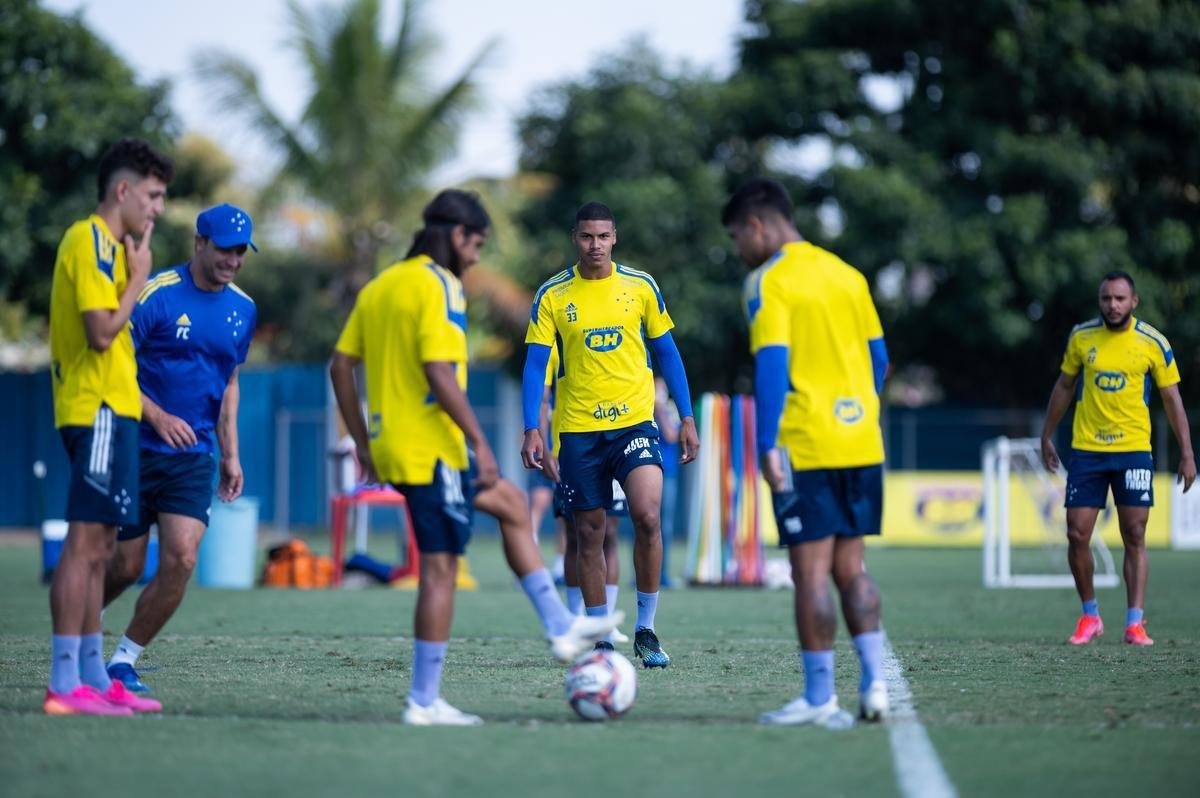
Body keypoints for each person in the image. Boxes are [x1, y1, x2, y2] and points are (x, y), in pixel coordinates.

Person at [330, 190, 622, 727]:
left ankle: (560, 625)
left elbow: (339, 366)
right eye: (477, 244)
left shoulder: (381, 286)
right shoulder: (440, 285)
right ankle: (424, 701)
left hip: (399, 443)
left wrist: (365, 443)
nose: (477, 256)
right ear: (456, 236)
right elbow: (440, 373)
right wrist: (481, 443)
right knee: (440, 571)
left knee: (512, 505)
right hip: (432, 449)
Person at [724, 177, 890, 727]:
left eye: (736, 238)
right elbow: (880, 361)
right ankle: (875, 684)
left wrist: (768, 444)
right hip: (861, 440)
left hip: (807, 445)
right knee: (852, 567)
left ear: (756, 225)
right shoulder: (849, 275)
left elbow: (771, 365)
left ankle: (820, 698)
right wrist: (859, 410)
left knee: (811, 574)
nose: (738, 251)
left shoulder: (766, 282)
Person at [521, 201, 699, 669]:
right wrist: (532, 428)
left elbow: (668, 352)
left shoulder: (641, 286)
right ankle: (600, 636)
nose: (594, 245)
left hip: (635, 424)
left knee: (646, 515)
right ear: (574, 239)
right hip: (579, 429)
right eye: (586, 236)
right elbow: (536, 364)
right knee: (589, 531)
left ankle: (646, 629)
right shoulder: (554, 295)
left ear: (614, 237)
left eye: (602, 236)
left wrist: (686, 416)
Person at [101, 204, 259, 694]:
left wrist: (231, 454)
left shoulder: (244, 309)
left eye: (239, 252)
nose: (232, 259)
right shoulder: (156, 294)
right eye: (223, 249)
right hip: (135, 445)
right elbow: (114, 363)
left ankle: (123, 660)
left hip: (194, 456)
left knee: (183, 559)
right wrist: (157, 415)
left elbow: (229, 381)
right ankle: (79, 632)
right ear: (199, 243)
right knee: (125, 565)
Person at [44, 138, 173, 716]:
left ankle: (93, 678)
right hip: (93, 407)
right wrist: (140, 278)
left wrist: (133, 270)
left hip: (117, 411)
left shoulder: (116, 249)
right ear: (122, 190)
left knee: (102, 549)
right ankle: (64, 682)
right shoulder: (87, 239)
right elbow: (102, 330)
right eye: (153, 195)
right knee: (84, 543)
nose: (158, 209)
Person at [1040, 271, 1195, 647]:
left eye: (1120, 299)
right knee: (1076, 532)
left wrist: (1187, 452)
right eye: (1107, 298)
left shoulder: (1152, 342)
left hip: (1133, 451)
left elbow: (1172, 399)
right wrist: (1047, 434)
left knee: (1135, 534)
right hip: (1088, 450)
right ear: (1100, 301)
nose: (1113, 305)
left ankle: (1135, 623)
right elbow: (1064, 386)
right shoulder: (1081, 337)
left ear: (1134, 301)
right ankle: (1090, 615)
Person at [540, 346, 629, 646]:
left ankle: (607, 619)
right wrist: (541, 440)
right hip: (570, 449)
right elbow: (542, 397)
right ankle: (576, 617)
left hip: (615, 445)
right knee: (577, 536)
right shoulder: (554, 344)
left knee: (610, 535)